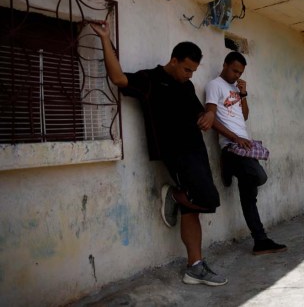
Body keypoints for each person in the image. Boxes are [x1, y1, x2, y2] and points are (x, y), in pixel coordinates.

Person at [90, 21, 227, 287]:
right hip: (175, 153)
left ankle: (194, 266)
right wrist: (106, 39)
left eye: (193, 70)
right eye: (187, 68)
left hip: (196, 150)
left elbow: (200, 112)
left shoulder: (186, 87)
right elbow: (119, 79)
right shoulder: (150, 79)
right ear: (174, 60)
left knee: (195, 207)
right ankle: (174, 195)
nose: (190, 74)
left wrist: (209, 115)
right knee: (207, 198)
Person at [205, 51, 287, 255]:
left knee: (250, 194)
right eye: (234, 70)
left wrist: (243, 95)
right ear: (224, 65)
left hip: (244, 144)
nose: (236, 75)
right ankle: (227, 164)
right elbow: (211, 118)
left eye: (240, 72)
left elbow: (245, 116)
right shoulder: (214, 85)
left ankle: (261, 241)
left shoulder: (235, 88)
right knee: (259, 176)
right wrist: (234, 138)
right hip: (232, 146)